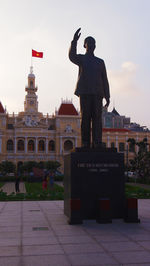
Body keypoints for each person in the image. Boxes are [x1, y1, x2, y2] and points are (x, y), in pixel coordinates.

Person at [69, 28, 110, 148]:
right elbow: (71, 56)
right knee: (85, 118)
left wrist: (107, 96)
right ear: (84, 45)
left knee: (97, 119)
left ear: (95, 46)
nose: (91, 45)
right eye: (89, 42)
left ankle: (97, 142)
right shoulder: (81, 58)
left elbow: (105, 80)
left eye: (93, 43)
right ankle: (85, 142)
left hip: (97, 93)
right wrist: (74, 41)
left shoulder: (100, 62)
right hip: (85, 92)